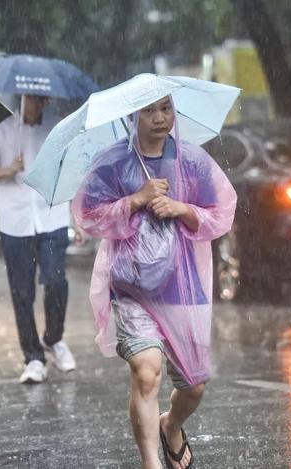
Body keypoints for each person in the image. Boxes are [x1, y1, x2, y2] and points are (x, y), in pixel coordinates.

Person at [72, 96, 236, 469]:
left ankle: (171, 424)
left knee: (194, 386)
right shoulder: (114, 163)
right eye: (149, 110)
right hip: (131, 288)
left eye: (166, 109)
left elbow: (220, 214)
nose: (160, 118)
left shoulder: (191, 161)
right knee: (146, 372)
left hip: (183, 286)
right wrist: (135, 200)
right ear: (133, 115)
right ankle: (151, 464)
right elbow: (87, 215)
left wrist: (182, 209)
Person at [0, 94, 76, 384]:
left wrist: (77, 216)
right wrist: (9, 170)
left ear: (45, 101)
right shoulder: (1, 129)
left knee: (56, 282)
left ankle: (54, 337)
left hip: (52, 216)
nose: (32, 103)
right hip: (15, 221)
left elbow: (68, 171)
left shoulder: (57, 129)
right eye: (27, 99)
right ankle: (33, 357)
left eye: (38, 99)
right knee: (22, 293)